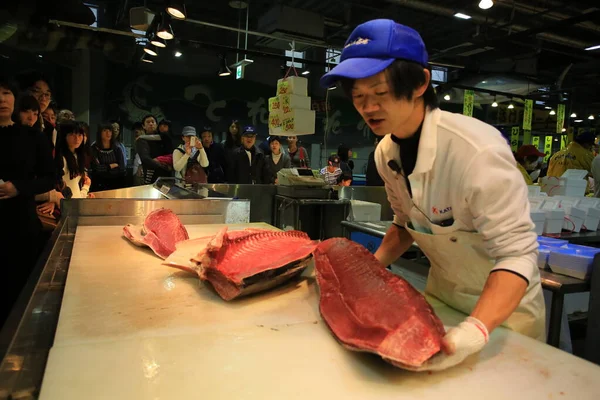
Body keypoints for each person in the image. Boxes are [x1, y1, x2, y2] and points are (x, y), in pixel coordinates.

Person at [320, 19, 545, 371]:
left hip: (504, 318)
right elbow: (404, 224)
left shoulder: (477, 152)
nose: (368, 107)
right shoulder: (384, 154)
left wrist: (474, 331)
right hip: (440, 301)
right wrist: (364, 276)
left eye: (380, 93)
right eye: (359, 97)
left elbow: (518, 256)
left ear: (421, 82)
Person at [0, 76, 55, 327]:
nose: (2, 99)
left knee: (19, 292)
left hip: (20, 224)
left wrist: (18, 187)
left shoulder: (31, 137)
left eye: (6, 93)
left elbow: (50, 177)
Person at [135, 114, 172, 184]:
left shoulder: (163, 137)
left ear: (156, 124)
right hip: (152, 174)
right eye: (148, 122)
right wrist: (162, 166)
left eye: (153, 122)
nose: (151, 124)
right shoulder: (141, 140)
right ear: (143, 126)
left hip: (167, 175)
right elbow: (145, 158)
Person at [90, 123, 126, 191]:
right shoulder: (94, 148)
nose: (108, 133)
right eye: (105, 130)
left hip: (117, 183)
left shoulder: (117, 148)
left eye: (110, 131)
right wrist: (111, 166)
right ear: (99, 133)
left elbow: (122, 167)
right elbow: (96, 168)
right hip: (99, 184)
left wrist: (105, 168)